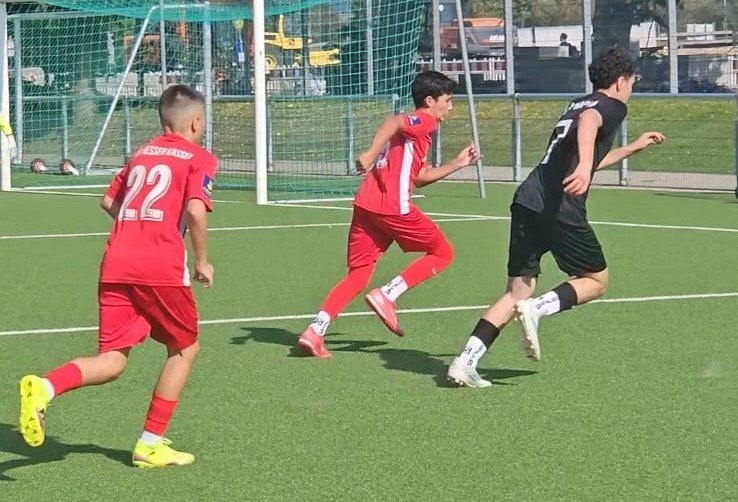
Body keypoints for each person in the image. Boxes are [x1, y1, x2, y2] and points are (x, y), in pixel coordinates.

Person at [17, 84, 217, 467]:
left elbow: (109, 200)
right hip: (159, 266)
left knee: (112, 360)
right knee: (185, 349)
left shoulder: (141, 154)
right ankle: (150, 444)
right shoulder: (199, 157)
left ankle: (45, 387)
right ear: (196, 122)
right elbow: (195, 210)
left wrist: (137, 227)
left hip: (117, 263)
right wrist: (202, 260)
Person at [447, 47, 665, 388]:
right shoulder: (610, 106)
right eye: (632, 82)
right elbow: (589, 123)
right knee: (596, 280)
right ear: (620, 81)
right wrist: (584, 166)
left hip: (528, 198)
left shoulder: (577, 102)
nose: (631, 89)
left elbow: (582, 149)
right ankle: (539, 308)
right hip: (559, 205)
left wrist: (630, 148)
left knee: (516, 291)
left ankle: (465, 361)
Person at [298, 70, 480, 358]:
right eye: (447, 100)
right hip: (393, 207)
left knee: (359, 275)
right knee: (442, 253)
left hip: (367, 205)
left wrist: (457, 164)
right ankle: (388, 294)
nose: (450, 107)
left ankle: (315, 330)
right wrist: (371, 153)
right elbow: (394, 121)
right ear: (430, 101)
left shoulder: (417, 134)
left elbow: (419, 176)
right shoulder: (425, 121)